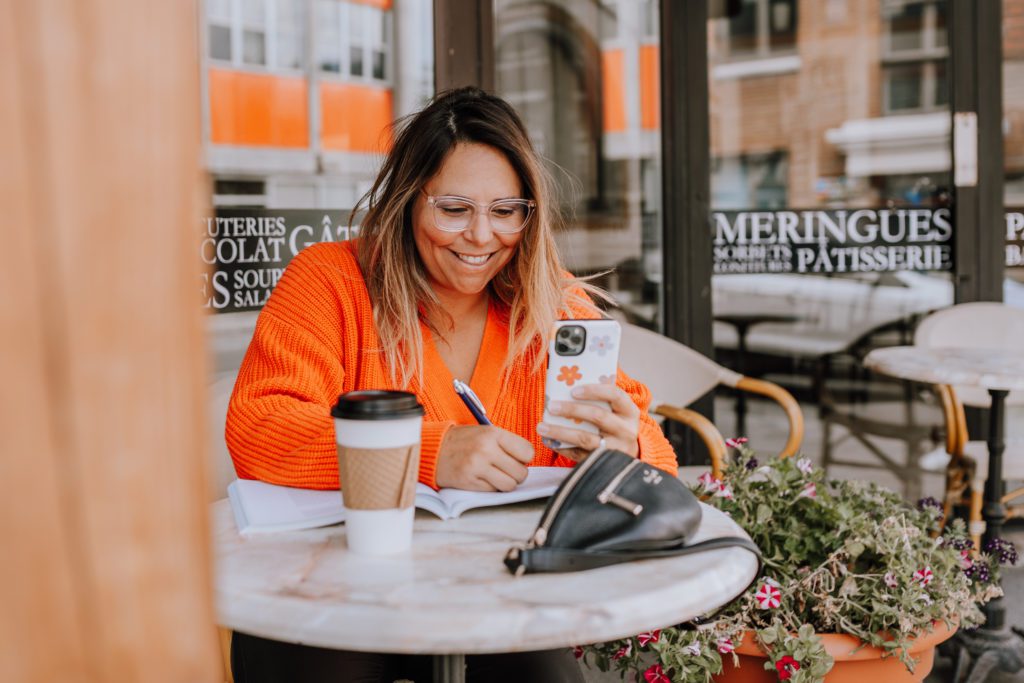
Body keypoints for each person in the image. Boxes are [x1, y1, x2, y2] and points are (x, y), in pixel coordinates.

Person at [225, 87, 678, 683]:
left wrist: (626, 450)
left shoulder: (552, 303)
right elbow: (258, 428)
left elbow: (659, 456)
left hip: (496, 592)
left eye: (505, 211)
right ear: (408, 202)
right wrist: (431, 452)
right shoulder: (330, 282)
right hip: (338, 591)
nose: (481, 237)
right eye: (454, 209)